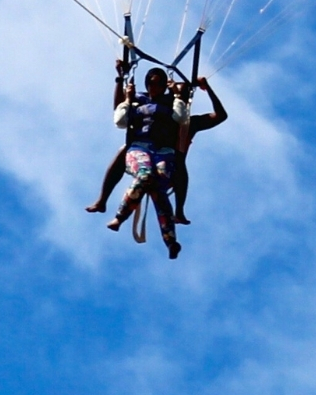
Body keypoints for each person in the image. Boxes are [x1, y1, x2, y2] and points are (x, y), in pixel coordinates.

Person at [85, 64, 186, 258]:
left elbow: (181, 118)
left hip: (163, 151)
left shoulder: (172, 100)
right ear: (147, 84)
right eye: (151, 83)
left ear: (165, 85)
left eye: (159, 84)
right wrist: (127, 95)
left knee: (160, 185)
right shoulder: (137, 99)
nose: (154, 87)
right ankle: (119, 218)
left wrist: (178, 96)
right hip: (139, 147)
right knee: (145, 175)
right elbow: (120, 121)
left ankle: (171, 242)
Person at [169, 76, 226, 225]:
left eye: (184, 96)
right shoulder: (157, 112)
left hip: (173, 167)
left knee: (178, 162)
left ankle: (179, 211)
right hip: (152, 160)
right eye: (178, 95)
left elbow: (221, 116)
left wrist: (208, 89)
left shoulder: (191, 123)